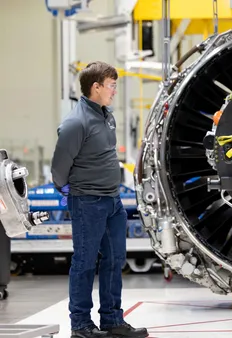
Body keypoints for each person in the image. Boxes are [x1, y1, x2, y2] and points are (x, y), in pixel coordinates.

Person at [51, 61, 148, 338]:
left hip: (112, 201)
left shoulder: (107, 115)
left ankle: (112, 319)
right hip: (88, 202)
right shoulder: (75, 122)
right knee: (85, 262)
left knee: (115, 260)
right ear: (96, 87)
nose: (114, 91)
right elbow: (59, 166)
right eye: (111, 86)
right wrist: (67, 188)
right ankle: (81, 324)